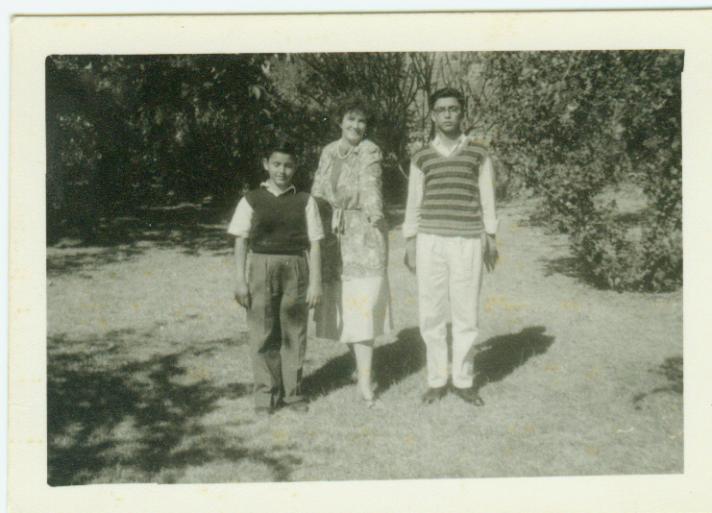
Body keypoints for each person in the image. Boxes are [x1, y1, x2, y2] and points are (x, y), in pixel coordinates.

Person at [403, 87, 499, 406]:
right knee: (431, 313)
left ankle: (463, 380)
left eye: (453, 109)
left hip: (467, 240)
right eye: (441, 109)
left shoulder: (478, 153)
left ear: (462, 113)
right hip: (430, 240)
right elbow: (413, 202)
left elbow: (487, 197)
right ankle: (436, 380)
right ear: (432, 115)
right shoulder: (421, 156)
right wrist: (410, 241)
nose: (447, 114)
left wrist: (491, 236)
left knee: (465, 312)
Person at [228, 137, 324, 416]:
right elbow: (240, 240)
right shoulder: (251, 199)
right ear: (266, 164)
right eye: (276, 164)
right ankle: (265, 396)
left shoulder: (305, 201)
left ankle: (293, 394)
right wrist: (240, 280)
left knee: (294, 331)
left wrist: (316, 282)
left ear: (296, 167)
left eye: (288, 165)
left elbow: (315, 243)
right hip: (261, 266)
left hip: (296, 267)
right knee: (262, 330)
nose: (282, 171)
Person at [311, 96, 391, 408]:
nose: (356, 126)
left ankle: (366, 384)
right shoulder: (328, 151)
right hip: (332, 234)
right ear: (340, 121)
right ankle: (361, 368)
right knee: (343, 306)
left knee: (363, 305)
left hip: (363, 235)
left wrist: (375, 220)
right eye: (351, 119)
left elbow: (371, 190)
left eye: (361, 121)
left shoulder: (369, 150)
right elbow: (318, 191)